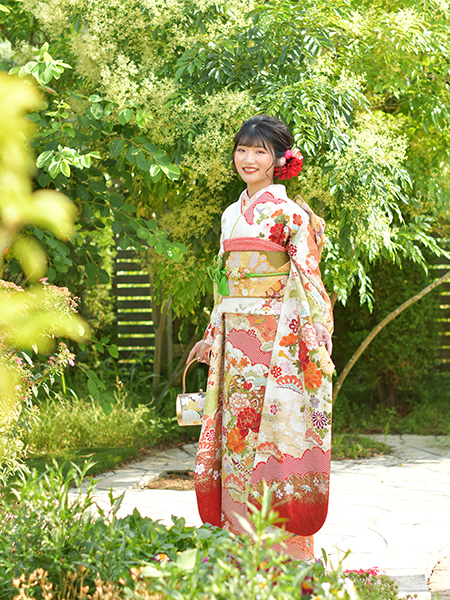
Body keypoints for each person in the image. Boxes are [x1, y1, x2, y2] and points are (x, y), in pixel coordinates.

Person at [187, 115, 334, 560]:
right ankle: (237, 545)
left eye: (259, 151)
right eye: (242, 150)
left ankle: (284, 552)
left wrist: (319, 329)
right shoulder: (230, 214)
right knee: (236, 434)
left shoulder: (291, 214)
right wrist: (211, 335)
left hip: (276, 342)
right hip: (235, 342)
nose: (248, 159)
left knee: (274, 437)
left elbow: (308, 276)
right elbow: (223, 281)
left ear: (279, 160)